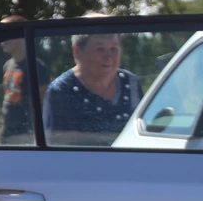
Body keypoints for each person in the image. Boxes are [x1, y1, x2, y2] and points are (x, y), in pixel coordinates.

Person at [43, 15, 143, 147]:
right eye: (100, 49)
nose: (108, 56)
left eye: (114, 49)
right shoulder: (61, 91)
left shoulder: (131, 83)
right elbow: (57, 149)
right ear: (77, 51)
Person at [0, 15, 50, 144]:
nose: (2, 39)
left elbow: (42, 104)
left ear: (21, 35)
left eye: (7, 33)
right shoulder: (7, 65)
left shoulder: (36, 66)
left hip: (26, 134)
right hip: (8, 131)